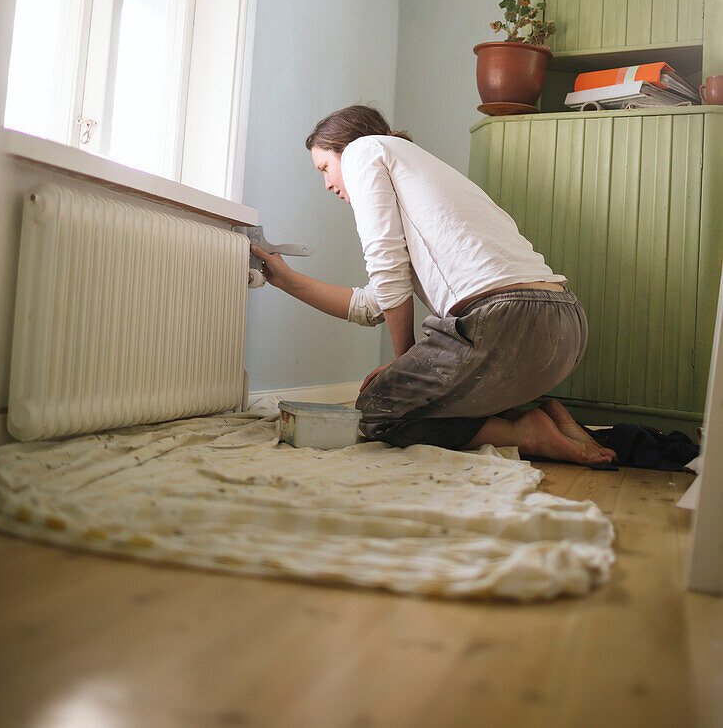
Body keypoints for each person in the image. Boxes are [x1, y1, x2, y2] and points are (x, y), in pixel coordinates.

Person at [251, 104, 615, 466]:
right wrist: (285, 280)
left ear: (345, 147)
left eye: (325, 168)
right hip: (565, 328)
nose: (328, 184)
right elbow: (375, 304)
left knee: (379, 411)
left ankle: (528, 432)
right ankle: (547, 417)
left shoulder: (364, 149)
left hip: (507, 323)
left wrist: (402, 364)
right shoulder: (421, 178)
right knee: (423, 401)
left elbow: (386, 266)